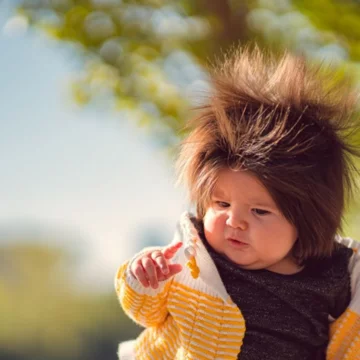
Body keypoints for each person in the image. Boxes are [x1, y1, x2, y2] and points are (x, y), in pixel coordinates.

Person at [115, 46, 360, 359]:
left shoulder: (333, 277)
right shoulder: (192, 262)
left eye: (259, 211)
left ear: (307, 219)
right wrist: (142, 279)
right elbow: (145, 312)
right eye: (222, 204)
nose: (235, 222)